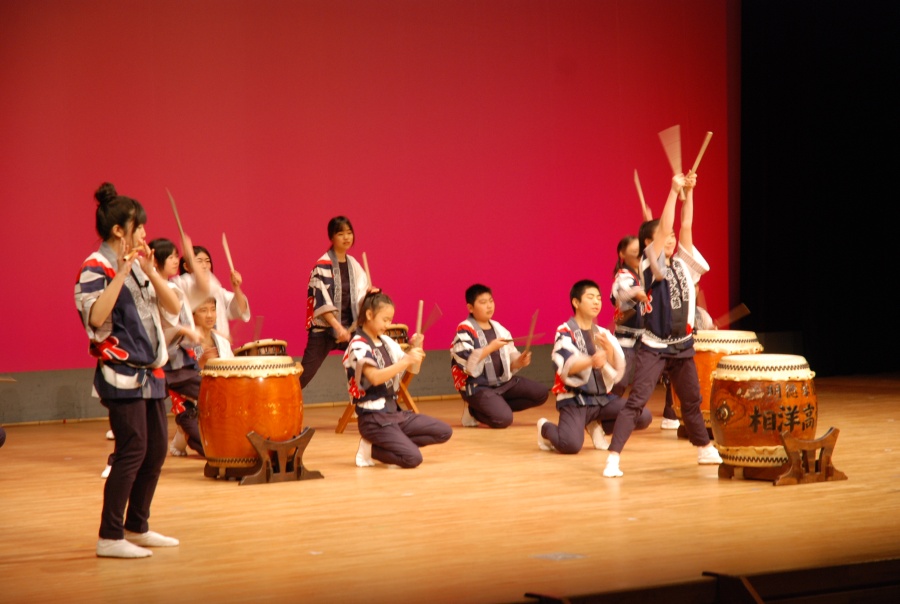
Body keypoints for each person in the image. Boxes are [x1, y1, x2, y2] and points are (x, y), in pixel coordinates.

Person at [75, 182, 181, 558]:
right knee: (132, 448)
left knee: (155, 451)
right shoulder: (95, 266)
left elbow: (173, 308)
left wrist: (149, 270)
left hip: (150, 372)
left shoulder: (138, 265)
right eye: (139, 226)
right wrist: (120, 274)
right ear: (119, 230)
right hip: (120, 372)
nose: (145, 233)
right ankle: (109, 535)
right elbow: (95, 317)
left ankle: (137, 525)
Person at [603, 173, 722, 478]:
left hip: (682, 346)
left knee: (691, 401)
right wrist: (672, 191)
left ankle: (704, 447)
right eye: (663, 236)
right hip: (654, 345)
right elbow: (668, 226)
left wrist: (689, 193)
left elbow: (685, 225)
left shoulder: (681, 264)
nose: (670, 239)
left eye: (671, 237)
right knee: (636, 401)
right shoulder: (649, 266)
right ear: (649, 243)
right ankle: (613, 457)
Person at [537, 280, 651, 454]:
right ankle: (544, 428)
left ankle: (598, 426)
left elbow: (617, 372)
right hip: (575, 399)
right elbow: (564, 366)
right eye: (590, 297)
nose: (596, 302)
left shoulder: (603, 333)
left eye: (598, 298)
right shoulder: (565, 331)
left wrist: (609, 351)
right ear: (576, 302)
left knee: (642, 416)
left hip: (602, 400)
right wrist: (591, 361)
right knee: (570, 445)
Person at [343, 291, 452, 468]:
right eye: (385, 320)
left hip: (394, 413)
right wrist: (406, 360)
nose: (388, 325)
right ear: (369, 315)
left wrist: (417, 348)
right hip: (373, 419)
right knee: (412, 459)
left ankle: (393, 441)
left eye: (390, 320)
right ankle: (371, 449)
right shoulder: (358, 345)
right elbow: (375, 378)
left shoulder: (387, 342)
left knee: (444, 431)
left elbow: (412, 369)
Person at [450, 284, 548, 428]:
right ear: (470, 308)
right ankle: (473, 411)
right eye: (483, 302)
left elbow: (510, 359)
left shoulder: (499, 328)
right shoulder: (464, 328)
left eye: (491, 301)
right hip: (478, 386)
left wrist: (519, 361)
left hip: (502, 383)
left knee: (541, 393)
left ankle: (494, 405)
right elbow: (466, 361)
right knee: (503, 420)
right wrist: (490, 348)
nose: (489, 306)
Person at [147, 238, 205, 458]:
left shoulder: (174, 285)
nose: (175, 260)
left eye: (176, 256)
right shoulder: (151, 289)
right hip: (163, 361)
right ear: (156, 261)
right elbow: (161, 328)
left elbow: (203, 287)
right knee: (143, 407)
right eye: (170, 256)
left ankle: (186, 434)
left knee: (209, 395)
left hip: (178, 362)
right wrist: (184, 330)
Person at [301, 216, 370, 389]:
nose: (346, 237)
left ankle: (369, 401)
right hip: (325, 330)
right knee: (305, 374)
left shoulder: (353, 264)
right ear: (331, 237)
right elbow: (322, 302)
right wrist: (338, 328)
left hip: (350, 328)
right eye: (340, 234)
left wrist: (369, 294)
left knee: (369, 363)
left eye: (349, 233)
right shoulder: (322, 265)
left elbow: (362, 294)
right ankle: (283, 400)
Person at [172, 243, 250, 343]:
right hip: (195, 346)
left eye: (207, 261)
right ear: (186, 266)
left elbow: (241, 309)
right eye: (199, 261)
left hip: (221, 347)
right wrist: (218, 335)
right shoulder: (181, 285)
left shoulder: (216, 288)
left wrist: (236, 287)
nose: (205, 265)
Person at [609, 236, 648, 399]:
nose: (639, 254)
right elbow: (623, 294)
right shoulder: (623, 276)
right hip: (626, 338)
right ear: (622, 254)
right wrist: (637, 293)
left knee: (646, 379)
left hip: (643, 337)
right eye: (635, 251)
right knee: (620, 380)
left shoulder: (642, 274)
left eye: (641, 251)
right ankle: (608, 408)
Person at [193, 296, 235, 369]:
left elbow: (232, 370)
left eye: (213, 310)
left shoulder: (223, 343)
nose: (209, 315)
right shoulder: (185, 344)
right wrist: (201, 363)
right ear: (192, 315)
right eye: (203, 310)